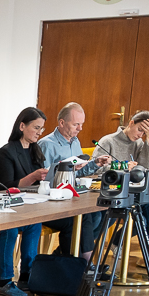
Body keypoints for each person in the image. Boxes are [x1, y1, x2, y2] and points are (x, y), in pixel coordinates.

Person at [0, 108, 49, 296]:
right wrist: (33, 177)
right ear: (22, 126)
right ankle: (4, 280)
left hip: (29, 206)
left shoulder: (35, 150)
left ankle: (27, 275)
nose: (39, 132)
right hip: (8, 208)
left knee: (35, 223)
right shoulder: (6, 152)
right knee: (10, 228)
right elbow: (5, 186)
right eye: (36, 128)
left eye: (42, 129)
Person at [40, 102, 110, 260]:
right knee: (89, 217)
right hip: (55, 199)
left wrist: (95, 163)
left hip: (72, 196)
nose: (80, 128)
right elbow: (44, 178)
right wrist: (65, 168)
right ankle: (82, 261)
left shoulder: (75, 141)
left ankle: (71, 255)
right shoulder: (46, 145)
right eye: (76, 124)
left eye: (82, 124)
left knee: (103, 213)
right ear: (62, 123)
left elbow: (78, 172)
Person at [93, 111, 149, 264]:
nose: (140, 135)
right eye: (139, 130)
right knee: (142, 219)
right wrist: (122, 168)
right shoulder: (108, 141)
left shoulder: (138, 143)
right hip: (112, 190)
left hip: (130, 190)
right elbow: (95, 169)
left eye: (144, 133)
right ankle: (126, 242)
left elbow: (148, 165)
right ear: (131, 123)